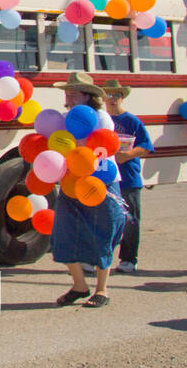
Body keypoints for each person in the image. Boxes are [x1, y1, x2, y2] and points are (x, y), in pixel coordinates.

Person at [49, 72, 128, 308]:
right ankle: (79, 285)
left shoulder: (101, 117)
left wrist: (70, 144)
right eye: (67, 93)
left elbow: (96, 145)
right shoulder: (64, 118)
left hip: (100, 182)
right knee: (62, 233)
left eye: (73, 93)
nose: (68, 97)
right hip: (71, 183)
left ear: (87, 96)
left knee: (102, 233)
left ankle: (102, 289)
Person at [101, 79, 153, 274]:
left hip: (129, 178)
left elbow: (146, 146)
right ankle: (99, 259)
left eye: (116, 95)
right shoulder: (101, 119)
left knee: (131, 220)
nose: (112, 99)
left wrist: (127, 155)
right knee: (106, 220)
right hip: (106, 177)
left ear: (122, 98)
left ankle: (129, 259)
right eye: (108, 95)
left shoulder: (132, 121)